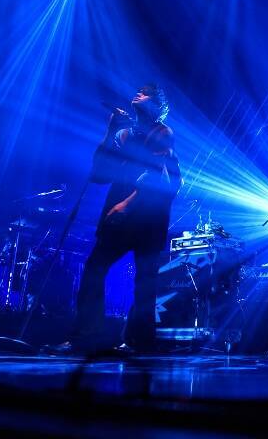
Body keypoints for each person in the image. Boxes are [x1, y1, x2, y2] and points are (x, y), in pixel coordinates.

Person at [59, 83, 182, 354]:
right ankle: (87, 336)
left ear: (158, 105)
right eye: (138, 91)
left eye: (145, 93)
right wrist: (110, 129)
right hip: (119, 211)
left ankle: (138, 342)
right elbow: (99, 173)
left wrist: (127, 204)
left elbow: (156, 176)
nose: (138, 94)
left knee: (145, 278)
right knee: (95, 267)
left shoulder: (162, 132)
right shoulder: (124, 133)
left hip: (148, 215)